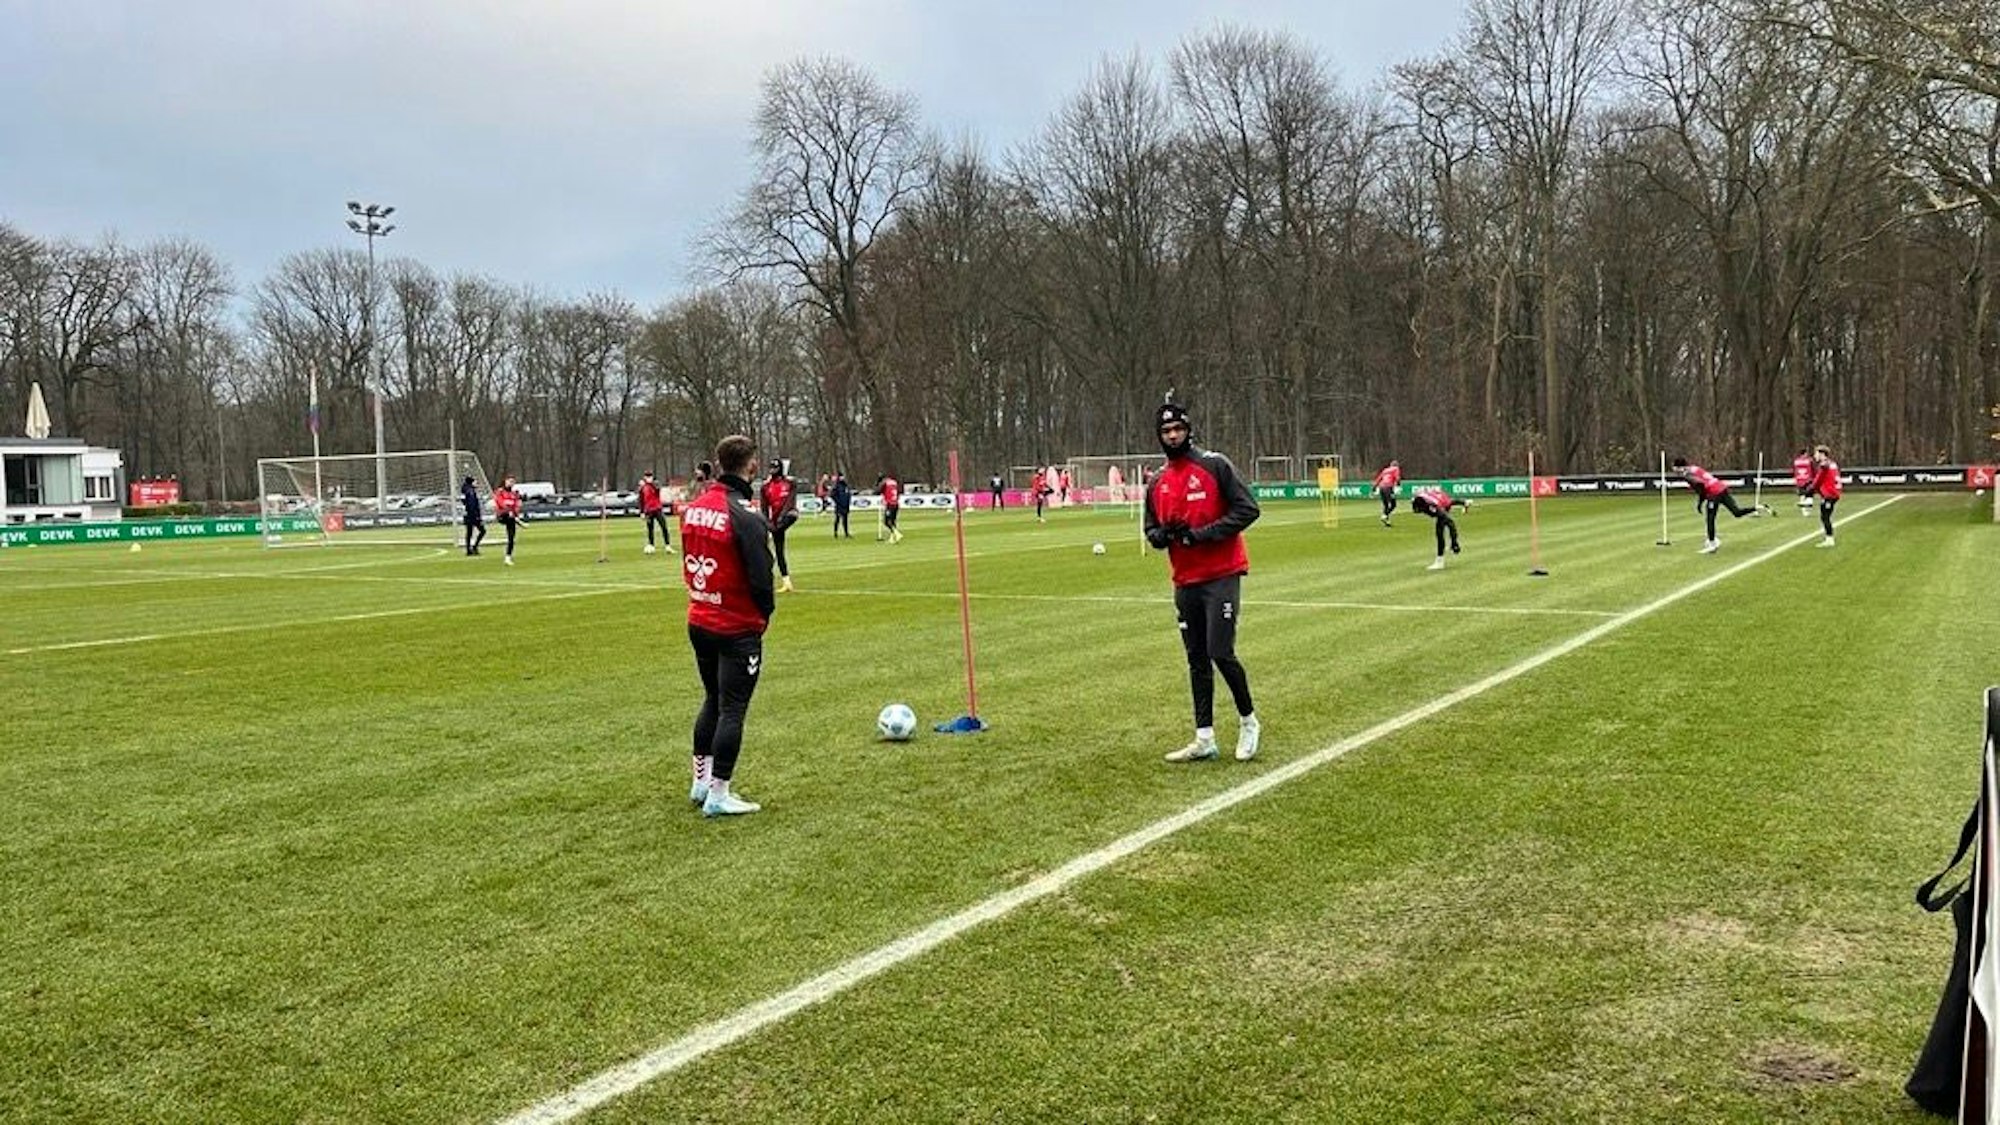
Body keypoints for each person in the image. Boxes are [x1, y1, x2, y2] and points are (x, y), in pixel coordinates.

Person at [1144, 398, 1263, 764]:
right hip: (1185, 580)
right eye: (1166, 431)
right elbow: (1149, 530)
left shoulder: (1214, 465)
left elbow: (1248, 509)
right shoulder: (1157, 482)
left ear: (1188, 430)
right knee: (1196, 658)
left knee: (1219, 652)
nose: (1173, 435)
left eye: (1178, 429)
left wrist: (1204, 534)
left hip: (1221, 575)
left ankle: (1248, 721)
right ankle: (1204, 737)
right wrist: (1162, 535)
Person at [681, 434, 776, 817]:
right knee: (733, 708)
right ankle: (719, 792)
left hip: (699, 617)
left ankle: (700, 782)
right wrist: (763, 617)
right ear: (750, 465)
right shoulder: (745, 515)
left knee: (712, 700)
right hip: (735, 625)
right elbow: (761, 578)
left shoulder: (695, 507)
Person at [1672, 456, 1771, 554]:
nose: (1674, 471)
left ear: (1680, 467)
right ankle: (1758, 507)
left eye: (1675, 468)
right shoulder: (1694, 468)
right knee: (1737, 512)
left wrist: (1701, 501)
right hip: (1721, 488)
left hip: (1714, 493)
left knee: (1710, 519)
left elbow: (1700, 485)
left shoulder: (1688, 475)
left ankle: (1712, 544)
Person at [761, 459, 800, 592]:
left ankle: (785, 581)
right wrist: (768, 523)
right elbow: (764, 509)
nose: (772, 470)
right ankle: (786, 581)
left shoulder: (789, 483)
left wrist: (782, 518)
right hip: (775, 521)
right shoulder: (765, 487)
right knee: (778, 550)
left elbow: (790, 501)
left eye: (775, 468)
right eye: (771, 468)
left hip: (788, 515)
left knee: (786, 522)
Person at [1411, 484, 1466, 570]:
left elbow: (1451, 523)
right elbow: (1450, 502)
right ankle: (1440, 560)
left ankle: (1440, 561)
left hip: (1441, 504)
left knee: (1440, 532)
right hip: (1441, 500)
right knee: (1440, 530)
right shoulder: (1426, 498)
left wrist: (1454, 542)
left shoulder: (1434, 506)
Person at [1808, 444, 1842, 547]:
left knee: (1825, 517)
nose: (1815, 456)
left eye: (1816, 453)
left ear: (1822, 454)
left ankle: (1829, 539)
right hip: (1833, 493)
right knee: (1825, 516)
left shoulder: (1824, 465)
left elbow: (1819, 480)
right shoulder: (1832, 464)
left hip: (1830, 495)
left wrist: (1810, 489)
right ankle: (1829, 538)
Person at [639, 469, 673, 555]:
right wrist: (642, 512)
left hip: (657, 509)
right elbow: (641, 500)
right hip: (648, 511)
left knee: (664, 527)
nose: (649, 478)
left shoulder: (655, 484)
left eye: (650, 476)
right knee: (650, 529)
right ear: (644, 477)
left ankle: (667, 545)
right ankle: (651, 545)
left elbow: (657, 490)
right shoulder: (642, 488)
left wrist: (651, 483)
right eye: (647, 476)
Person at [493, 474, 524, 566]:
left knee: (511, 538)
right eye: (509, 481)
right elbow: (500, 502)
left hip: (511, 517)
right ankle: (517, 521)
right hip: (502, 515)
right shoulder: (500, 491)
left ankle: (508, 557)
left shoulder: (514, 494)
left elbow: (516, 506)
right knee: (509, 516)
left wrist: (516, 512)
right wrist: (509, 510)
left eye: (512, 482)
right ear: (505, 481)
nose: (511, 483)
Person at [459, 475, 486, 556]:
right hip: (472, 515)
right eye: (475, 481)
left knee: (469, 532)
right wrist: (477, 516)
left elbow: (464, 502)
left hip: (466, 514)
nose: (476, 483)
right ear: (471, 482)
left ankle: (468, 550)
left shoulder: (464, 491)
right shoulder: (470, 492)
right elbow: (472, 504)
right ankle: (474, 547)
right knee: (482, 531)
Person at [1373, 460, 1402, 526]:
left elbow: (1379, 479)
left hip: (1381, 488)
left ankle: (1386, 521)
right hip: (1388, 488)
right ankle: (1384, 515)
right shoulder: (1396, 469)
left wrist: (1374, 487)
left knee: (1386, 505)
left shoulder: (1385, 470)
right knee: (1393, 504)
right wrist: (1398, 484)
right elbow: (1397, 478)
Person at [877, 473, 903, 543]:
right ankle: (892, 538)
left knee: (886, 521)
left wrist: (878, 483)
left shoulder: (884, 483)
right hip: (896, 504)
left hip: (889, 504)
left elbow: (878, 491)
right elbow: (899, 492)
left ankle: (897, 533)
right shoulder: (894, 482)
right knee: (893, 521)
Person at [1791, 448, 1815, 517]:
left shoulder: (1796, 461)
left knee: (1802, 496)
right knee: (1809, 496)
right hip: (1808, 480)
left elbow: (1794, 470)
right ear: (1805, 453)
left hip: (1799, 480)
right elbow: (1813, 470)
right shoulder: (1809, 460)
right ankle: (1808, 512)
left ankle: (1804, 512)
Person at [830, 471, 853, 538]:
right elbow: (832, 495)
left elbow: (848, 494)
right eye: (841, 477)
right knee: (837, 519)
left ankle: (846, 533)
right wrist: (838, 502)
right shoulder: (836, 486)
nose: (842, 478)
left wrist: (848, 501)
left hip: (845, 505)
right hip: (839, 506)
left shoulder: (845, 485)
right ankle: (835, 532)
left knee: (845, 520)